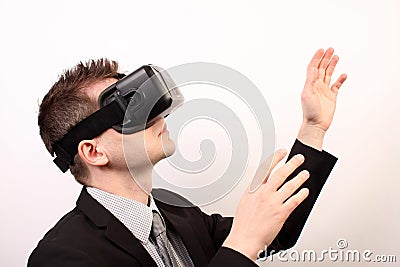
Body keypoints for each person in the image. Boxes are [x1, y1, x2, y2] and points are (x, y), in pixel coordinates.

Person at [28, 48, 347, 266]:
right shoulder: (63, 256)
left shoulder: (180, 217)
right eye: (130, 113)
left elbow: (278, 230)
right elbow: (246, 241)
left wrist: (313, 128)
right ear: (93, 152)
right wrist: (240, 245)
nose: (160, 118)